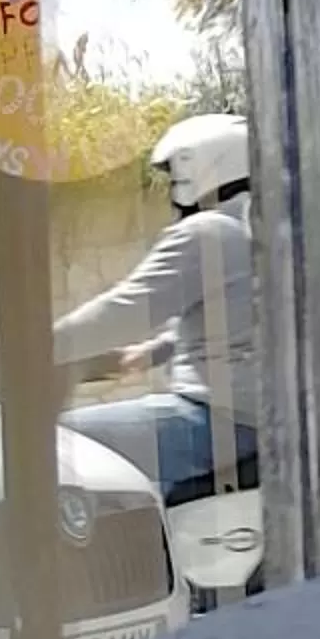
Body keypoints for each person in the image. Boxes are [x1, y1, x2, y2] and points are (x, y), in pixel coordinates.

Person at [50, 115, 255, 506]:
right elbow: (240, 314)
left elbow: (125, 310)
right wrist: (154, 351)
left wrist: (36, 347)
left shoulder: (205, 232)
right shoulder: (253, 229)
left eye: (174, 175)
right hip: (257, 420)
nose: (170, 189)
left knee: (47, 443)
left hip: (217, 421)